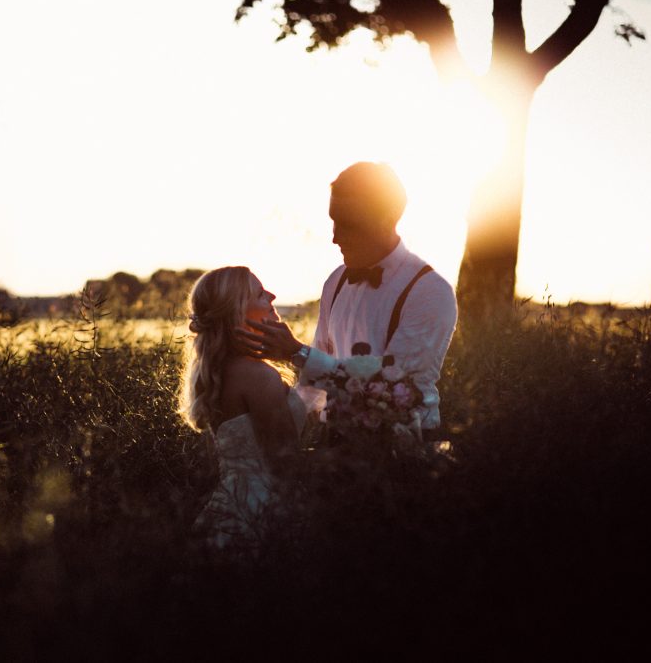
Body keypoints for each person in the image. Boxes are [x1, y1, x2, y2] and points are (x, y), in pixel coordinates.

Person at [237, 162, 458, 433]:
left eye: (348, 225)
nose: (335, 237)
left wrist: (297, 353)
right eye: (333, 221)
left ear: (387, 220)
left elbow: (393, 384)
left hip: (405, 448)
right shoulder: (336, 281)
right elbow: (313, 389)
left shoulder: (430, 291)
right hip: (334, 446)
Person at [179, 266, 309, 553]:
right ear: (238, 310)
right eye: (261, 294)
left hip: (229, 505)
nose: (272, 296)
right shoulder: (258, 376)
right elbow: (286, 462)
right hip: (262, 509)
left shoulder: (219, 371)